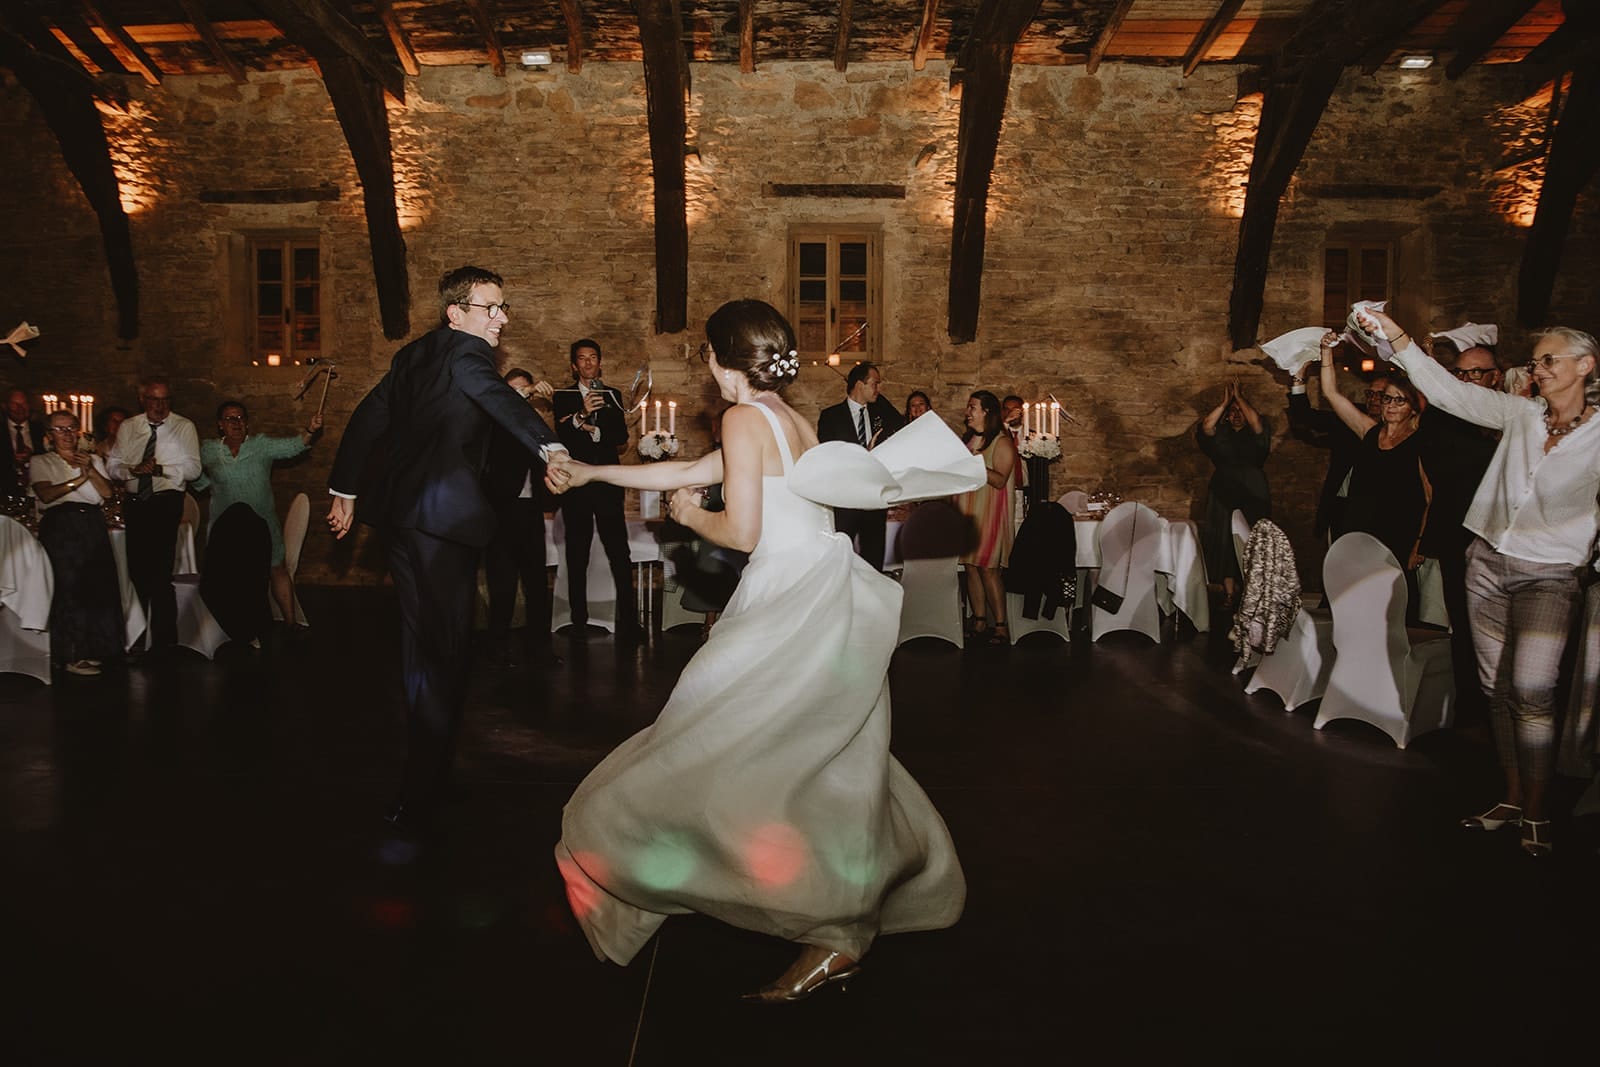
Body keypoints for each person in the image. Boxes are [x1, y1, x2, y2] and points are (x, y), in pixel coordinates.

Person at [548, 299, 965, 1000]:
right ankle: (836, 932)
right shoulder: (790, 420)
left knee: (707, 740)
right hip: (821, 588)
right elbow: (689, 466)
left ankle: (651, 868)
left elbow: (740, 529)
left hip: (786, 595)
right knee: (811, 754)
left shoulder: (744, 419)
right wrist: (594, 475)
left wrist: (689, 515)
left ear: (717, 360)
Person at [327, 265, 565, 831]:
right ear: (456, 314)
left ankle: (432, 773)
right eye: (491, 308)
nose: (502, 318)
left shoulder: (414, 356)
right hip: (440, 521)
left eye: (504, 307)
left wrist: (344, 489)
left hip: (404, 521)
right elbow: (499, 401)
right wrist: (551, 447)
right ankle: (418, 789)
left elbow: (368, 416)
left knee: (428, 646)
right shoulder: (468, 354)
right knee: (444, 650)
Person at [1357, 308, 1600, 858]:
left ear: (1585, 365)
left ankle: (1538, 809)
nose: (1537, 369)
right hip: (1486, 562)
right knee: (1495, 691)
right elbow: (1446, 391)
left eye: (1549, 360)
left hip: (1549, 576)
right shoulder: (1519, 415)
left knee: (1533, 693)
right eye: (1535, 361)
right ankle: (1511, 797)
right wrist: (1395, 337)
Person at [1418, 344, 1501, 722]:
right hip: (1457, 531)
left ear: (1494, 376)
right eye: (1461, 373)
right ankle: (1471, 704)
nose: (1466, 380)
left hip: (1500, 536)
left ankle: (1501, 700)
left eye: (1475, 373)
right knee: (1463, 622)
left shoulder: (1510, 414)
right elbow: (1435, 471)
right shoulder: (1441, 416)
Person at [193, 400, 323, 628]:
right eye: (230, 419)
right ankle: (234, 628)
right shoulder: (209, 450)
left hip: (263, 523)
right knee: (229, 577)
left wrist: (310, 430)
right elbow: (191, 471)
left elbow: (293, 446)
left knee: (277, 569)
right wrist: (206, 485)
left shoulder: (260, 446)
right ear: (220, 424)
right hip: (225, 528)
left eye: (241, 418)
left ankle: (291, 624)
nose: (236, 423)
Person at [1318, 338, 1431, 594]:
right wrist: (1326, 352)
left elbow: (1429, 497)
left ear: (1413, 408)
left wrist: (1419, 544)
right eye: (1387, 399)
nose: (1390, 406)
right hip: (1359, 531)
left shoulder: (1419, 443)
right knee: (1356, 596)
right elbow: (1331, 394)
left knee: (1392, 602)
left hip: (1397, 536)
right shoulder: (1369, 432)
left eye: (1399, 401)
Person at [551, 338, 640, 642]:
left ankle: (630, 623)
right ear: (574, 365)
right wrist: (581, 415)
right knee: (578, 553)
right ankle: (578, 622)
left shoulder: (612, 395)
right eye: (582, 359)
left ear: (600, 362)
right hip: (576, 486)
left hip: (606, 485)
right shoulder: (563, 396)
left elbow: (620, 436)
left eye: (593, 358)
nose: (588, 363)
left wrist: (594, 430)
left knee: (619, 552)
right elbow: (562, 436)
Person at [108, 376, 202, 656]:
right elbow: (113, 467)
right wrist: (133, 470)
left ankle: (164, 641)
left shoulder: (183, 426)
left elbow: (194, 470)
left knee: (160, 572)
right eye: (154, 399)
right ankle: (138, 633)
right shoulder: (129, 426)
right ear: (143, 400)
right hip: (136, 502)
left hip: (164, 502)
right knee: (137, 569)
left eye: (165, 400)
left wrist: (161, 470)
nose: (160, 406)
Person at [30, 410, 121, 676]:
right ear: (50, 434)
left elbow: (107, 493)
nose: (67, 434)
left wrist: (90, 471)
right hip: (61, 526)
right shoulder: (41, 461)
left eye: (71, 428)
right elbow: (46, 494)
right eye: (60, 429)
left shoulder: (92, 459)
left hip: (91, 525)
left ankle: (96, 647)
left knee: (96, 586)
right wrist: (78, 480)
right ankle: (70, 653)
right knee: (68, 587)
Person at [483, 368, 560, 667]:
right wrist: (522, 393)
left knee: (537, 585)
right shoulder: (495, 422)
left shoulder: (532, 424)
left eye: (524, 389)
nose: (522, 395)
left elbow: (550, 446)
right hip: (501, 513)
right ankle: (497, 649)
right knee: (502, 585)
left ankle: (540, 649)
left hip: (530, 513)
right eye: (514, 390)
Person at [816, 361, 904, 570]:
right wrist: (863, 456)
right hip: (844, 501)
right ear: (859, 385)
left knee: (874, 560)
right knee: (839, 559)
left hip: (874, 501)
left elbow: (901, 427)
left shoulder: (880, 413)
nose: (879, 389)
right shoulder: (831, 417)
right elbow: (827, 457)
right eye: (875, 384)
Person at [1198, 381, 1271, 609]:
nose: (1237, 415)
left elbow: (1257, 422)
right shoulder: (1220, 434)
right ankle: (1229, 593)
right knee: (1224, 540)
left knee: (1252, 537)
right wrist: (1225, 403)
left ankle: (1253, 591)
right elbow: (1206, 426)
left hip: (1253, 490)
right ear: (1227, 417)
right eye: (1233, 413)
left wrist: (1239, 398)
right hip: (1223, 490)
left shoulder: (1257, 433)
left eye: (1241, 412)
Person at [956, 390, 1018, 645]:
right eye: (969, 407)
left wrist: (976, 463)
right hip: (967, 512)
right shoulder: (968, 440)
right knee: (971, 567)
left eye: (973, 407)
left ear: (986, 412)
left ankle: (1000, 624)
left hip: (989, 513)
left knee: (989, 569)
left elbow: (1001, 480)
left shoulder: (1001, 442)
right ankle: (979, 619)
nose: (968, 412)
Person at [5, 388, 45, 496]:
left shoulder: (41, 430)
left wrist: (31, 457)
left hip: (36, 489)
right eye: (15, 404)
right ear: (5, 406)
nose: (20, 408)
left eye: (24, 404)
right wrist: (13, 461)